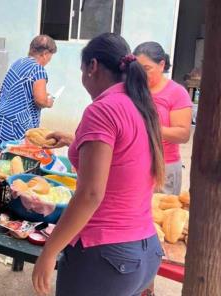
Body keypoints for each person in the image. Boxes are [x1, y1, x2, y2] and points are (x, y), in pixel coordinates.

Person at [31, 33, 165, 296]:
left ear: (92, 67)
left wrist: (50, 251)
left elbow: (91, 194)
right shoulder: (140, 104)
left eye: (82, 71)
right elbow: (124, 153)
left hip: (106, 256)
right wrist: (74, 140)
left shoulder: (102, 110)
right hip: (145, 251)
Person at [134, 42, 192, 195]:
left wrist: (150, 127)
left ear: (161, 65)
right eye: (138, 69)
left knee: (160, 216)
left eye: (147, 69)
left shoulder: (176, 93)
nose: (142, 74)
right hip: (134, 165)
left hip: (165, 168)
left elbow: (183, 134)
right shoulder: (133, 90)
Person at [0, 35, 57, 147]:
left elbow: (20, 90)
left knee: (1, 157)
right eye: (50, 56)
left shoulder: (19, 62)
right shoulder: (38, 70)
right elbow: (40, 101)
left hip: (1, 120)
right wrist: (49, 101)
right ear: (45, 54)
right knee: (17, 158)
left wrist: (44, 94)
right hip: (16, 127)